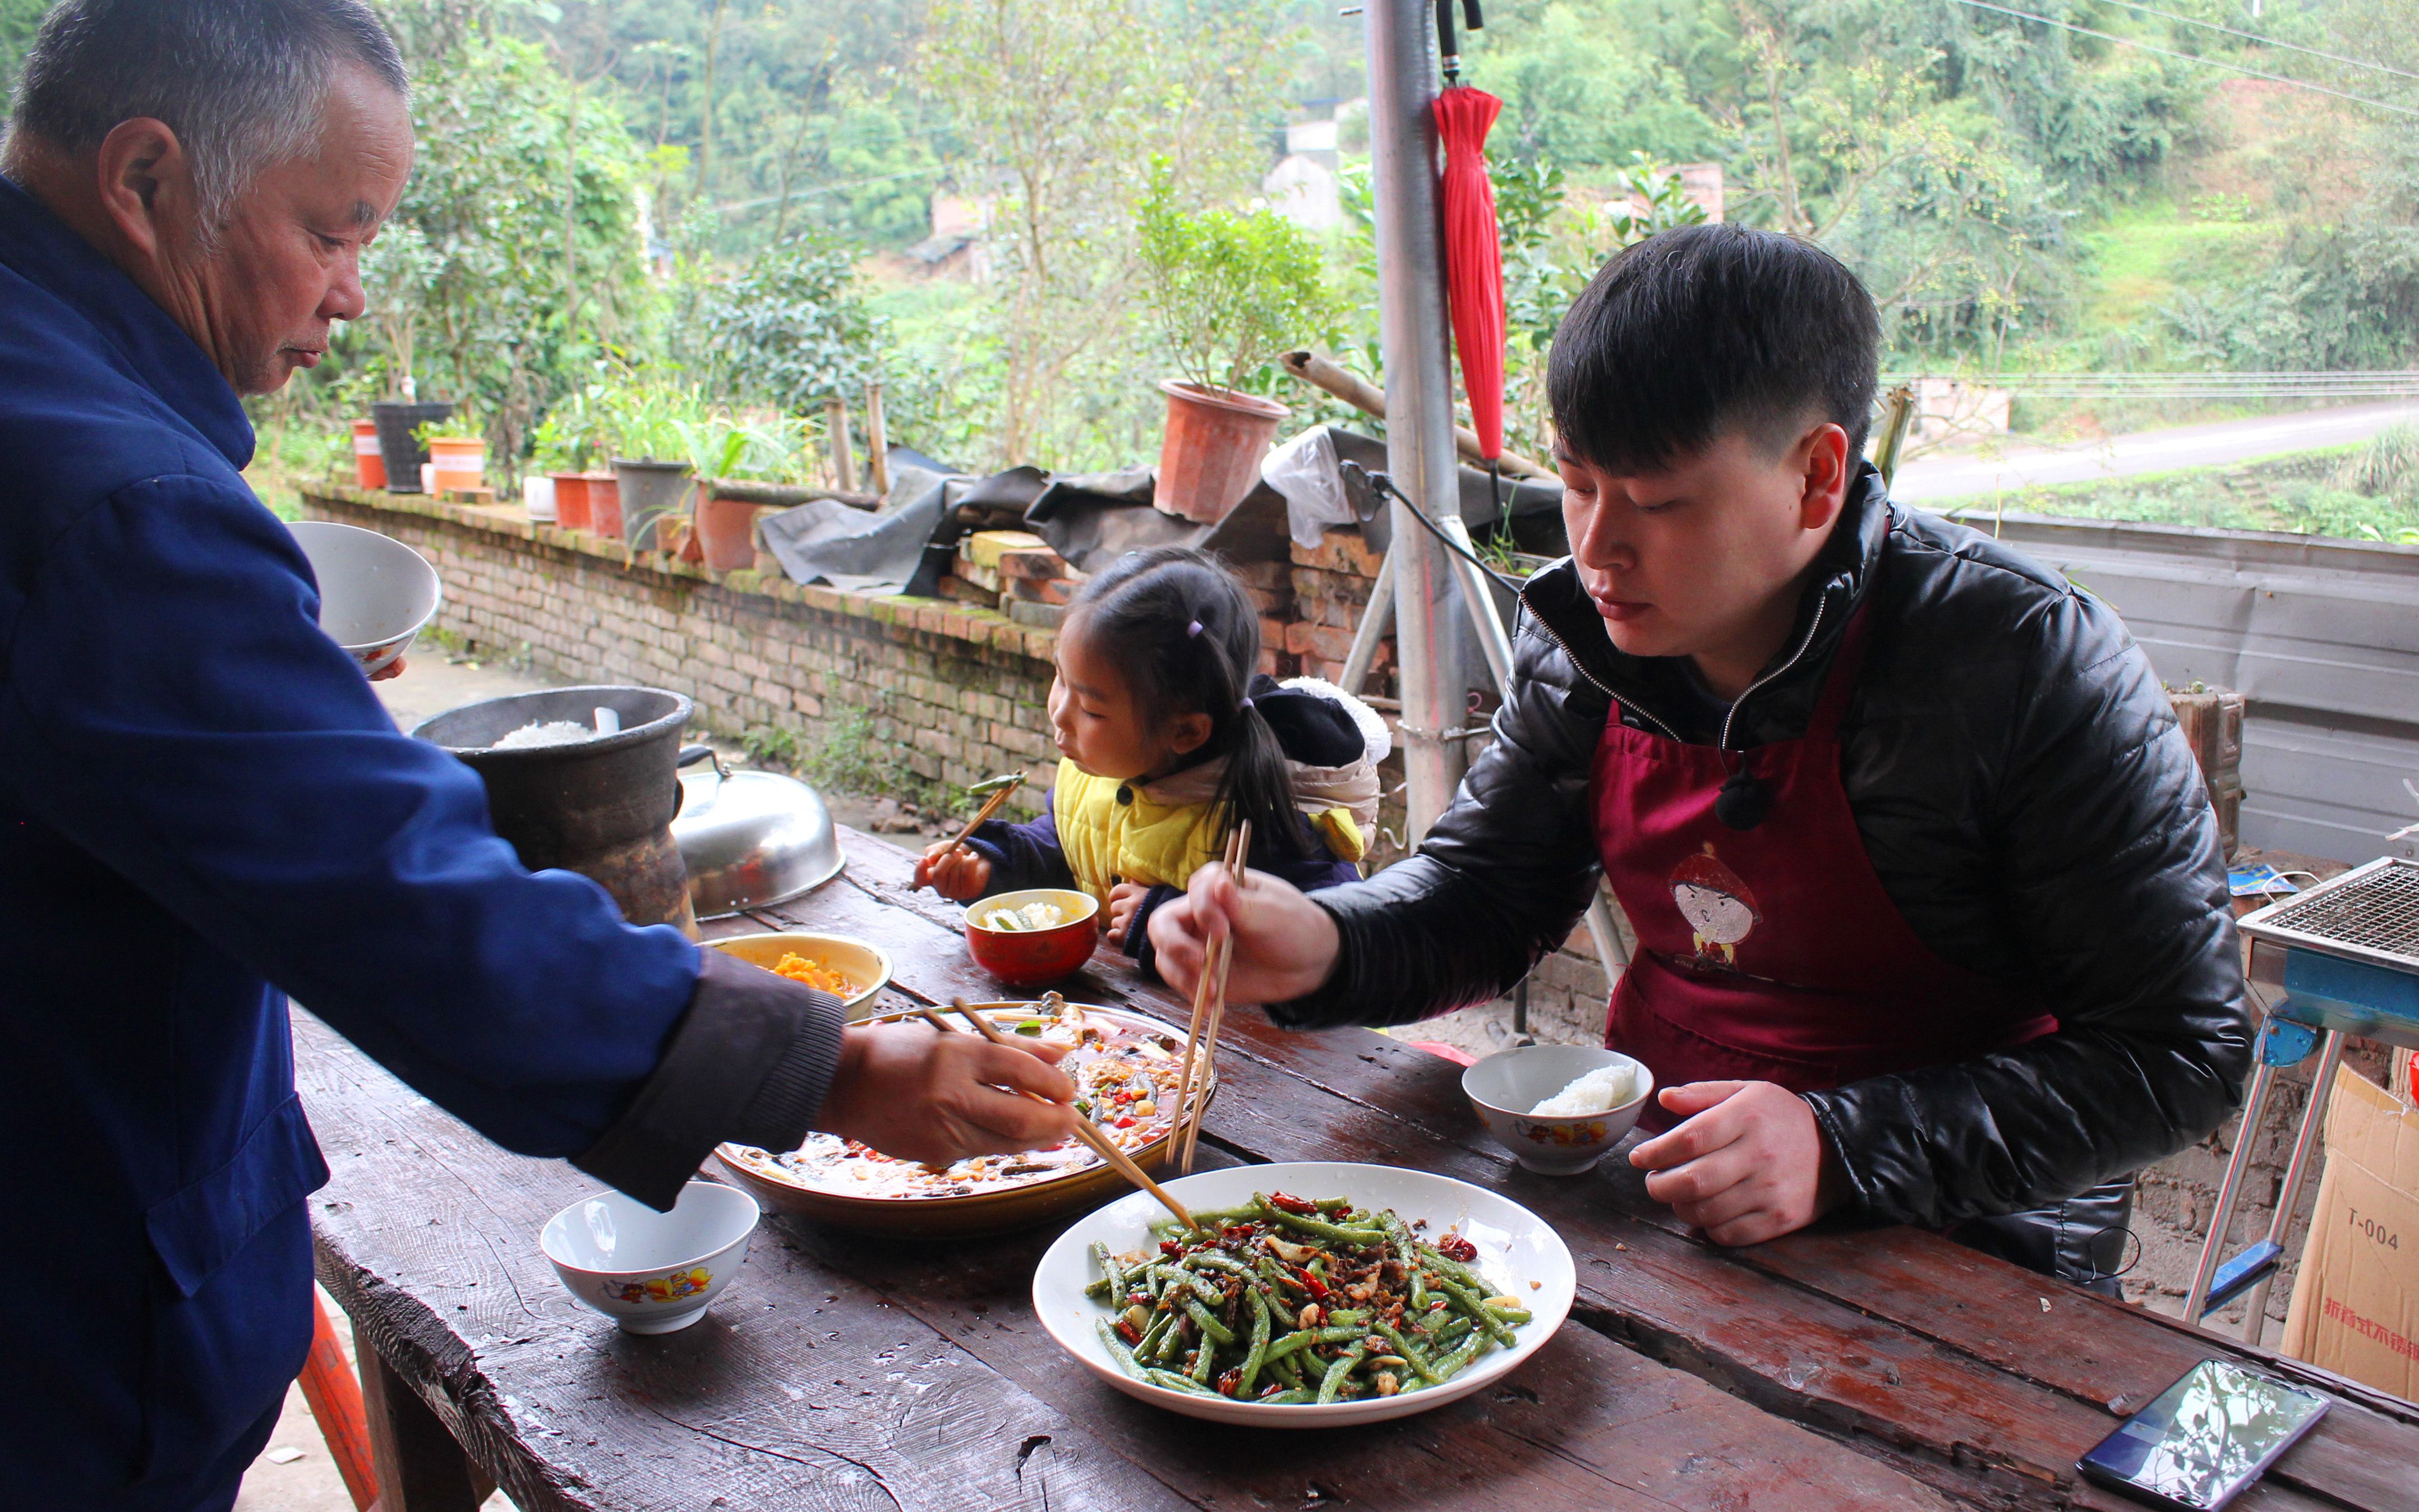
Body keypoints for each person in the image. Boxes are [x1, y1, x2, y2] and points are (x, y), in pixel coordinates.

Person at [0, 3, 1072, 1505]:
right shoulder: (105, 500)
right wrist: (837, 1069)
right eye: (334, 233)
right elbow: (404, 900)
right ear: (146, 181)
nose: (355, 299)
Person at [1151, 224, 2251, 1288]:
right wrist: (1329, 943)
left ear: (1816, 479)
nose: (1594, 547)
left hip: (1962, 1234)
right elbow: (1488, 894)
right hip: (1657, 1177)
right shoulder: (1588, 634)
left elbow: (2179, 1052)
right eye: (1576, 485)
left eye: (1658, 502)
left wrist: (1842, 1144)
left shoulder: (2024, 661)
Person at [915, 547, 1385, 980]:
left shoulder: (1264, 820)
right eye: (1059, 679)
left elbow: (1329, 943)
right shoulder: (1096, 774)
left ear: (1184, 731)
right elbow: (1071, 848)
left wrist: (1172, 916)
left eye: (1092, 709)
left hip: (1294, 1058)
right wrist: (994, 867)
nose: (1059, 712)